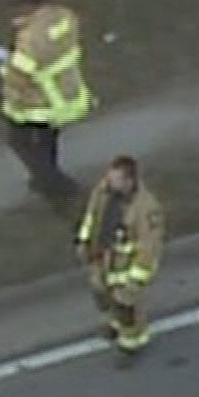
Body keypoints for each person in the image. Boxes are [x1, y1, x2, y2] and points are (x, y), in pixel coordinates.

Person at [0, 0, 94, 205]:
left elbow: (20, 74)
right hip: (66, 93)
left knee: (19, 142)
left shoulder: (30, 38)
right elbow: (53, 42)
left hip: (39, 101)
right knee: (46, 140)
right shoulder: (65, 18)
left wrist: (6, 72)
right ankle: (49, 178)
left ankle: (56, 184)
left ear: (30, 6)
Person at [74, 155, 165, 366]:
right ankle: (115, 325)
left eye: (116, 179)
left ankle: (131, 343)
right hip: (102, 258)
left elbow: (149, 247)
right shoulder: (104, 190)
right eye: (110, 177)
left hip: (125, 266)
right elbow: (92, 216)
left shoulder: (146, 209)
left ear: (129, 181)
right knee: (102, 296)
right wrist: (84, 240)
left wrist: (135, 281)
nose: (110, 182)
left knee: (126, 307)